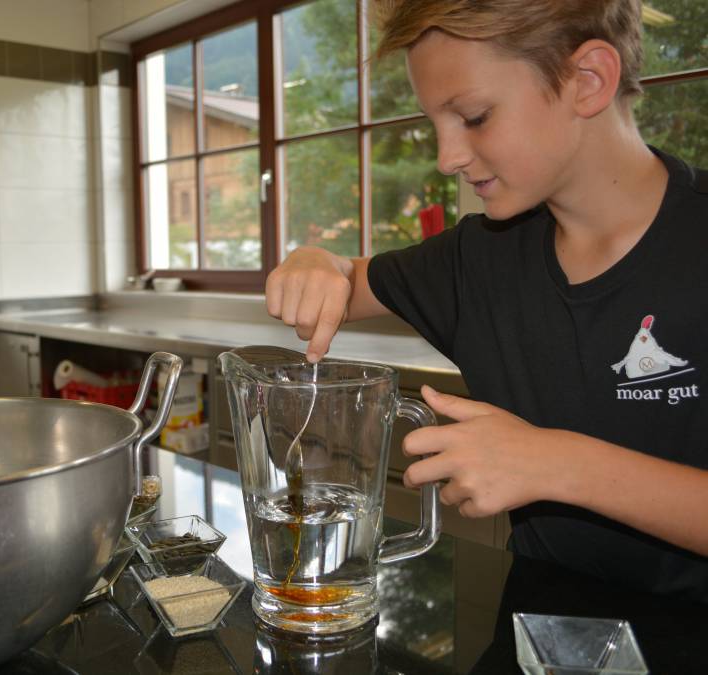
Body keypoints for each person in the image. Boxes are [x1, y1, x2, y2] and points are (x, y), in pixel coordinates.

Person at [265, 0, 708, 600]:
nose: (448, 157)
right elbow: (345, 279)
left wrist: (556, 463)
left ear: (588, 81)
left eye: (474, 117)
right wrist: (315, 262)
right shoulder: (477, 259)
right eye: (435, 125)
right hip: (532, 633)